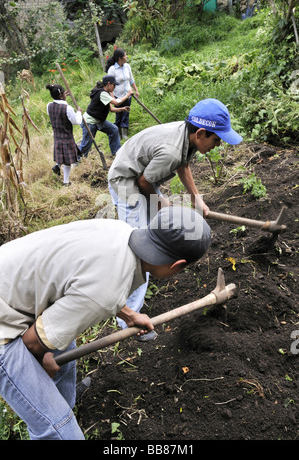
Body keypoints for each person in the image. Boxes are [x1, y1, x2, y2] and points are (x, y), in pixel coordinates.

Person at [0, 206, 211, 440]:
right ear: (176, 265)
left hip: (13, 285)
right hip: (4, 330)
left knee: (65, 352)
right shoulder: (105, 291)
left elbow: (91, 281)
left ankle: (62, 404)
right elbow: (32, 343)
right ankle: (52, 420)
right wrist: (42, 360)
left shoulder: (121, 231)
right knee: (60, 432)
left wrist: (130, 315)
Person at [108, 98, 243, 339]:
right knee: (136, 249)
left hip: (142, 175)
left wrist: (196, 199)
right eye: (216, 139)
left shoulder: (187, 137)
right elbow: (144, 183)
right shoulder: (171, 150)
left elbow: (184, 165)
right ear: (201, 133)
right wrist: (162, 204)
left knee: (158, 223)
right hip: (126, 180)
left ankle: (154, 265)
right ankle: (128, 321)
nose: (218, 144)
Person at [78, 75, 132, 158]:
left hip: (99, 121)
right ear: (109, 84)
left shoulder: (105, 93)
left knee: (114, 130)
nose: (115, 87)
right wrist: (128, 95)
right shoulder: (102, 93)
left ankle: (117, 153)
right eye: (114, 85)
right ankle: (76, 159)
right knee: (86, 145)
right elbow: (116, 102)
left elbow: (111, 109)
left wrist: (122, 109)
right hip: (90, 122)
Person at [46, 83, 82, 186]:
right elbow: (76, 121)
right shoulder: (68, 108)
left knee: (62, 156)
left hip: (57, 136)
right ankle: (66, 182)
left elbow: (58, 109)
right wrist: (79, 112)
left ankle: (57, 166)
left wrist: (63, 98)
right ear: (61, 95)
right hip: (67, 137)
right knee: (67, 161)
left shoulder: (49, 106)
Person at [106, 48, 139, 140]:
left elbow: (131, 79)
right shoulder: (112, 69)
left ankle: (124, 132)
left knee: (126, 113)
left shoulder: (127, 66)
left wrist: (136, 90)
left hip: (128, 95)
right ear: (120, 58)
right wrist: (112, 97)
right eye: (125, 55)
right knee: (119, 113)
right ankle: (117, 132)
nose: (126, 57)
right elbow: (109, 84)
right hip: (118, 96)